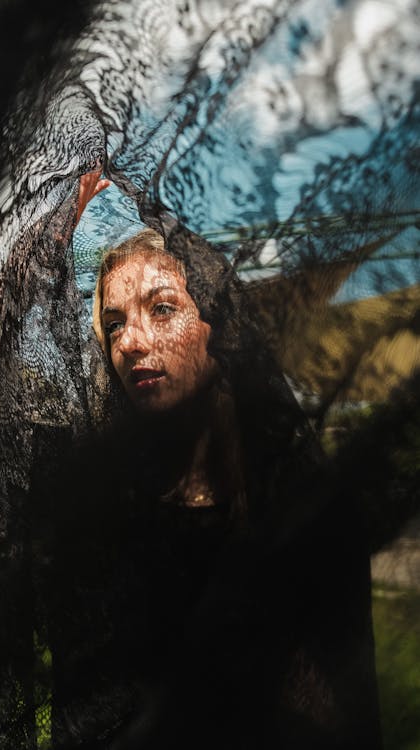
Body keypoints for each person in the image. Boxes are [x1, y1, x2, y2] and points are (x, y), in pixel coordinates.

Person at [43, 176, 383, 749]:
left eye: (162, 308)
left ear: (217, 328)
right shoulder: (110, 521)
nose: (130, 341)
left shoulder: (298, 505)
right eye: (115, 322)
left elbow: (339, 710)